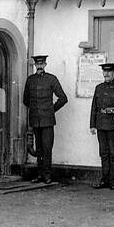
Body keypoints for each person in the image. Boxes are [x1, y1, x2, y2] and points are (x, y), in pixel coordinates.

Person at [22, 55, 68, 183]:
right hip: (35, 119)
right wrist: (36, 110)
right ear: (35, 65)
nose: (40, 66)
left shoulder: (51, 79)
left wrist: (51, 110)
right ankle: (39, 174)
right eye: (37, 64)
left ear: (45, 64)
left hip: (48, 120)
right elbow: (26, 99)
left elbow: (63, 98)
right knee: (39, 149)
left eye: (42, 64)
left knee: (47, 148)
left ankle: (47, 175)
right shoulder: (30, 80)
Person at [88, 62, 114, 190]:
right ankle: (104, 179)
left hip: (113, 125)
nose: (106, 74)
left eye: (109, 72)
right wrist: (92, 125)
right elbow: (94, 107)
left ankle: (113, 181)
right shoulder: (99, 88)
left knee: (113, 153)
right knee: (103, 153)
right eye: (104, 72)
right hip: (101, 124)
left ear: (113, 72)